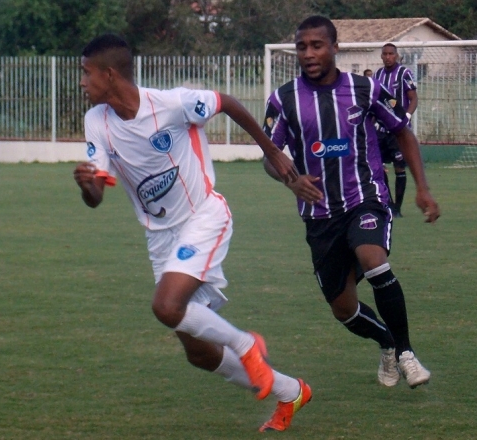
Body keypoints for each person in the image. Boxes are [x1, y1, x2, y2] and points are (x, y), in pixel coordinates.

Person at [72, 34, 311, 433]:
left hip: (203, 216)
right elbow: (96, 196)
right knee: (198, 352)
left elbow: (227, 103)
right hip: (160, 239)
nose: (82, 82)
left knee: (166, 308)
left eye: (86, 73)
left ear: (110, 75)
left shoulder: (171, 104)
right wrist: (85, 183)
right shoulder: (97, 121)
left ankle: (245, 344)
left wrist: (271, 151)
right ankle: (291, 391)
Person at [262, 15, 440, 389]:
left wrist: (422, 188)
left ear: (335, 48)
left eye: (317, 45)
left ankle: (406, 353)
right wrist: (291, 179)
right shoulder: (284, 99)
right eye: (302, 46)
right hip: (319, 217)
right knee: (343, 308)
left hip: (365, 197)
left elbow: (402, 132)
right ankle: (387, 343)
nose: (308, 53)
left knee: (373, 258)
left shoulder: (366, 89)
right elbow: (269, 154)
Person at [374, 43, 418, 218]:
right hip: (381, 129)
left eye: (391, 54)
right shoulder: (378, 75)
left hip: (398, 130)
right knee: (378, 167)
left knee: (400, 168)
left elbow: (413, 99)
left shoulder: (404, 73)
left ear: (396, 55)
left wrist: (406, 117)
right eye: (384, 54)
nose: (387, 57)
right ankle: (389, 204)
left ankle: (397, 208)